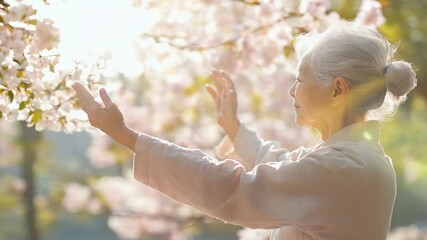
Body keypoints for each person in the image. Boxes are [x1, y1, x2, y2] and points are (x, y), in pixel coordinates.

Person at [72, 21, 417, 240]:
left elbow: (234, 189)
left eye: (300, 79)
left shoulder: (344, 168)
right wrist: (235, 129)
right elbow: (281, 165)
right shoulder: (351, 160)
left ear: (338, 89)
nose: (291, 91)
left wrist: (126, 136)